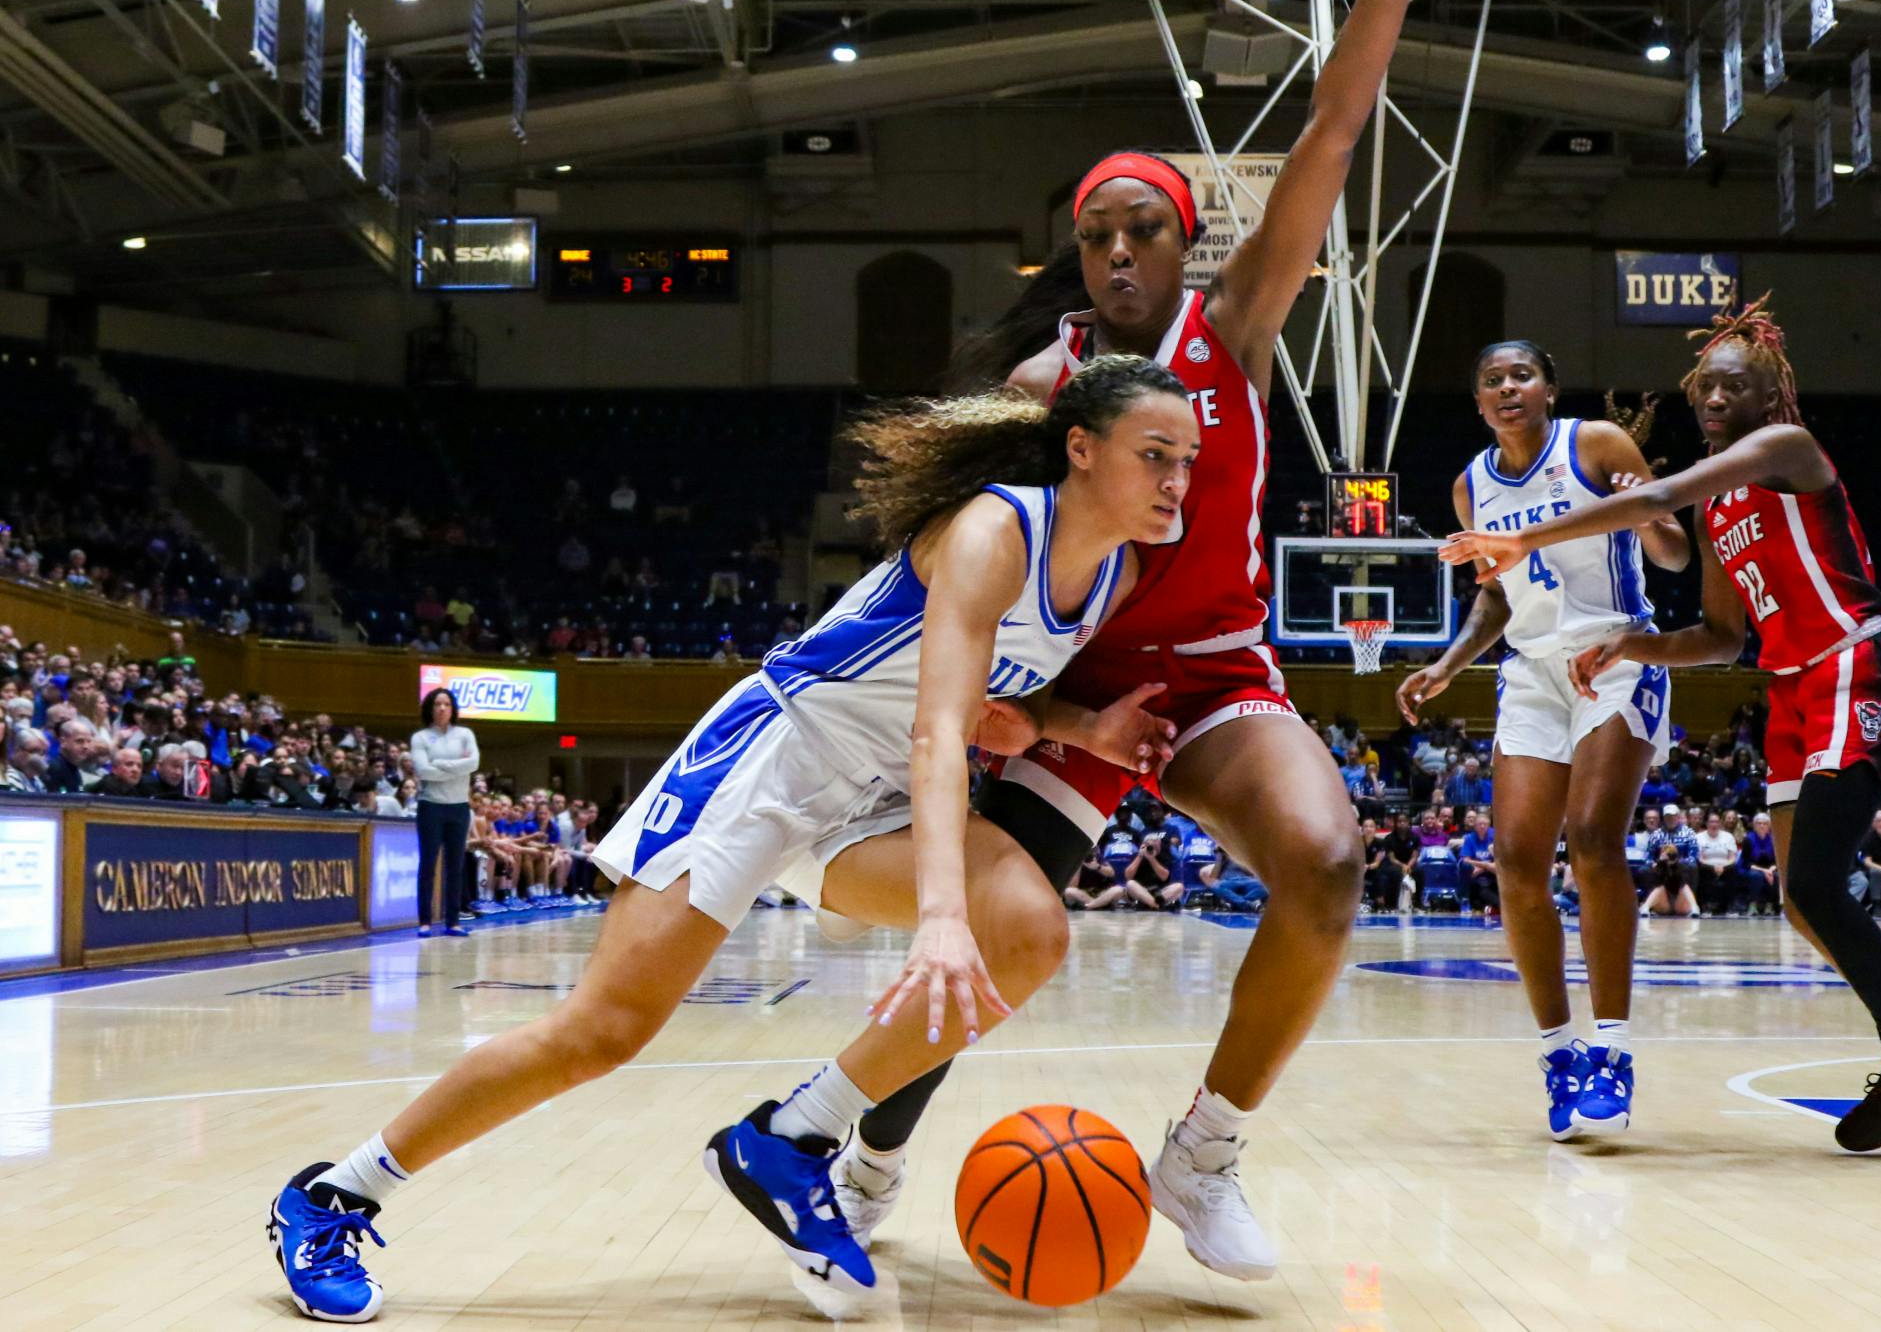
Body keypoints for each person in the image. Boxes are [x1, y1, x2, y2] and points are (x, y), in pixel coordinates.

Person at [267, 355, 1194, 1322]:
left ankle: (793, 1137)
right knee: (601, 1034)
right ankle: (332, 1195)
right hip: (772, 762)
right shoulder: (995, 530)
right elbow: (936, 727)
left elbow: (995, 701)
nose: (1176, 481)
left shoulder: (1115, 571)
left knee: (1031, 932)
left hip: (866, 796)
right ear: (1081, 450)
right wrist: (937, 914)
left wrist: (1078, 728)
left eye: (1189, 461)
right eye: (1155, 455)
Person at [829, 0, 1439, 1282]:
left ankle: (1206, 1152)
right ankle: (861, 1157)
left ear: (1183, 243)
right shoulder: (1044, 392)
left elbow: (1336, 135)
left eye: (1142, 227)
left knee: (1330, 864)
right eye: (1096, 232)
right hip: (1075, 694)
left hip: (1214, 673)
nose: (1116, 250)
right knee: (989, 930)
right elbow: (951, 569)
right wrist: (1025, 716)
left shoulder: (1226, 332)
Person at [1441, 292, 1881, 1154]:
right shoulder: (1721, 508)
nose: (1711, 400)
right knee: (1803, 904)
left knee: (1815, 884)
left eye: (1730, 388)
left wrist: (1529, 539)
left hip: (1854, 661)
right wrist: (1637, 643)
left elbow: (1657, 494)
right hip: (1786, 689)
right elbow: (1720, 637)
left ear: (1770, 397)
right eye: (1703, 388)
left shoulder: (1784, 448)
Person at [1397, 340, 1688, 1139]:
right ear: (1479, 402)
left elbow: (1671, 552)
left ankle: (1614, 1050)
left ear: (1549, 388)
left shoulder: (1594, 443)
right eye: (1491, 379)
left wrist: (1657, 515)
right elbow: (1497, 599)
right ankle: (1561, 1053)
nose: (1506, 387)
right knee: (1518, 862)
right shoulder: (1471, 485)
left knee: (1594, 838)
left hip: (1616, 653)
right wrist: (1448, 664)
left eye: (1521, 374)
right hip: (1531, 673)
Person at [410, 689, 479, 939]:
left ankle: (453, 921)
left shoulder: (465, 735)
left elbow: (474, 763)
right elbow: (424, 772)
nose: (441, 708)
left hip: (459, 807)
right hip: (431, 807)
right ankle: (425, 921)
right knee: (428, 864)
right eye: (437, 704)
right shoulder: (420, 738)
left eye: (446, 704)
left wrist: (441, 765)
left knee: (455, 865)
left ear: (452, 708)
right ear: (430, 708)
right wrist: (456, 769)